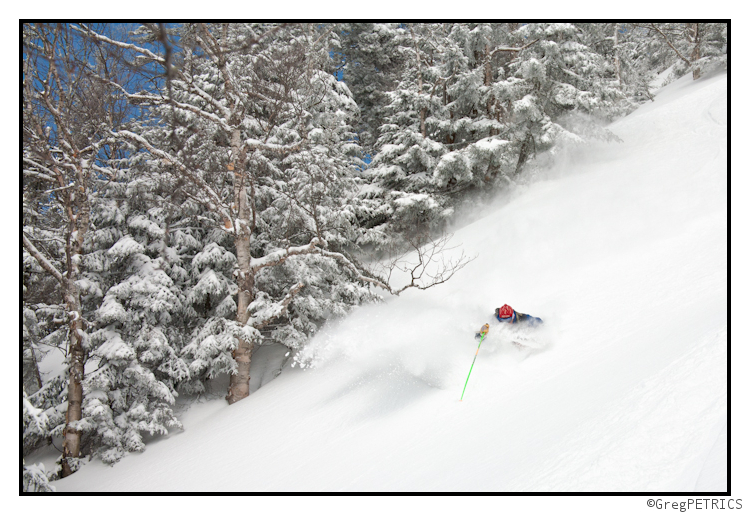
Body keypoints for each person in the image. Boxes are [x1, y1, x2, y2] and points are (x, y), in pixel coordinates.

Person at [476, 304, 542, 338]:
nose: (505, 323)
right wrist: (482, 334)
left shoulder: (522, 318)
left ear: (512, 317)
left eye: (508, 320)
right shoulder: (493, 320)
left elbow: (539, 322)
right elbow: (478, 339)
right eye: (502, 320)